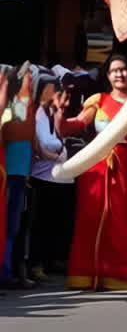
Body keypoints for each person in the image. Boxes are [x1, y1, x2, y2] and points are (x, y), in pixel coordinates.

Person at [60, 54, 127, 290]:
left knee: (121, 221)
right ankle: (85, 273)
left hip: (126, 168)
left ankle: (119, 274)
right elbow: (75, 125)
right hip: (95, 168)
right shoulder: (98, 100)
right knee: (89, 219)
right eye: (113, 71)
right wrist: (59, 114)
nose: (119, 74)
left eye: (122, 70)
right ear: (107, 76)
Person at [29, 74, 74, 281]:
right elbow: (41, 144)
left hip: (60, 176)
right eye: (51, 87)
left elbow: (59, 137)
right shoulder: (34, 111)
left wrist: (59, 112)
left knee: (58, 221)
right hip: (42, 176)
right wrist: (50, 155)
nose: (55, 90)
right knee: (40, 223)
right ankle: (36, 263)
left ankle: (52, 260)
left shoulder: (52, 112)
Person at [1, 66, 36, 289]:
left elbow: (27, 133)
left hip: (19, 175)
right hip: (8, 175)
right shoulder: (11, 108)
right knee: (8, 227)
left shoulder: (19, 106)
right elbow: (18, 131)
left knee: (13, 228)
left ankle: (8, 272)